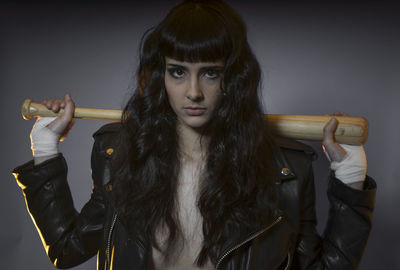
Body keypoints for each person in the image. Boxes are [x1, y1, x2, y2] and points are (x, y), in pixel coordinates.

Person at [12, 0, 376, 269]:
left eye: (211, 73)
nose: (194, 92)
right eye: (178, 72)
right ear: (160, 77)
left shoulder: (284, 170)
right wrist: (45, 148)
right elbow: (67, 249)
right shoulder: (120, 154)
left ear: (232, 78)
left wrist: (350, 177)